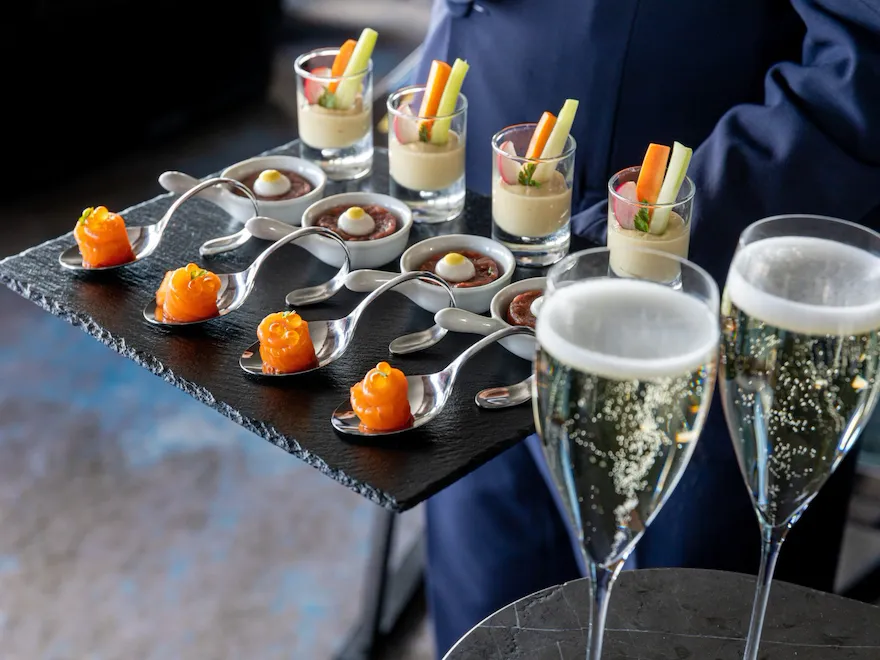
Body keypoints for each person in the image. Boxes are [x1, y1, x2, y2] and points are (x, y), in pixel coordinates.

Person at [415, 0, 880, 655]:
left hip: (691, 309)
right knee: (486, 625)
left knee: (676, 637)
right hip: (480, 258)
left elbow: (865, 58)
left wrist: (648, 241)